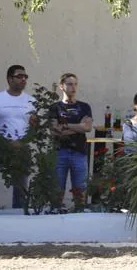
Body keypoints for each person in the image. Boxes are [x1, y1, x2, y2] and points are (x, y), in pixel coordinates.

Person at [0, 65, 36, 208]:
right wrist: (6, 142)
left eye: (25, 77)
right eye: (19, 76)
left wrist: (22, 142)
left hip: (22, 146)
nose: (23, 79)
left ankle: (19, 209)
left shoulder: (31, 101)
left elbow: (35, 128)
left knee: (21, 184)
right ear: (9, 79)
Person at [52, 73, 93, 210]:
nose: (73, 87)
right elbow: (54, 130)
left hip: (79, 153)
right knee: (57, 189)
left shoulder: (84, 107)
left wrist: (65, 126)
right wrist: (78, 127)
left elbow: (87, 127)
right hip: (59, 152)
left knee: (80, 190)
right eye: (69, 84)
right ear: (61, 86)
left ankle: (79, 213)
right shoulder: (55, 108)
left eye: (75, 84)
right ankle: (56, 212)